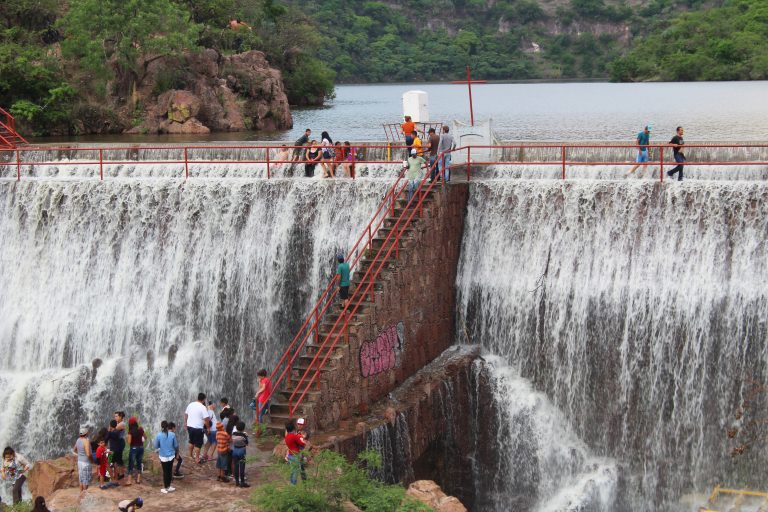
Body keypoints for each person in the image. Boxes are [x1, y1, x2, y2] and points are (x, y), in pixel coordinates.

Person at [154, 420, 178, 494]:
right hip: (171, 455)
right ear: (168, 427)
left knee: (165, 472)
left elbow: (156, 446)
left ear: (161, 426)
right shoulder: (172, 434)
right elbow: (176, 445)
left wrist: (161, 447)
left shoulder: (159, 435)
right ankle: (169, 486)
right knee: (169, 470)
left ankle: (165, 487)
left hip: (163, 456)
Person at [184, 393, 208, 463]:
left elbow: (186, 414)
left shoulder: (191, 404)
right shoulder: (203, 407)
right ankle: (197, 459)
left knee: (191, 441)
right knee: (198, 444)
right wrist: (208, 428)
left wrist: (186, 423)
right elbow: (206, 419)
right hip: (198, 428)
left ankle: (190, 455)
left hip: (190, 427)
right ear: (203, 400)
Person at [284, 420, 307, 485]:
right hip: (295, 456)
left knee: (292, 471)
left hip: (290, 455)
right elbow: (302, 443)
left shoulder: (287, 436)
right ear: (293, 429)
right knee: (295, 472)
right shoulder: (294, 436)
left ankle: (292, 483)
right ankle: (293, 485)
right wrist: (301, 437)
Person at [126, 417, 145, 485]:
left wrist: (127, 438)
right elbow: (145, 437)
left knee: (131, 464)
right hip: (141, 448)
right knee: (139, 463)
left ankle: (129, 480)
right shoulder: (140, 429)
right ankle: (138, 480)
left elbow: (129, 442)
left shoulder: (130, 432)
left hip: (134, 448)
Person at [231, 421, 250, 488]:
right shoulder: (244, 435)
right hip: (242, 451)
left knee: (236, 466)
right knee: (242, 467)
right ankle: (242, 482)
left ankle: (237, 482)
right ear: (243, 428)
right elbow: (247, 443)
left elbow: (232, 441)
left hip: (235, 450)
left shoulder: (233, 434)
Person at [73, 426, 92, 491]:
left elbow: (74, 450)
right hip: (85, 463)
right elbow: (88, 454)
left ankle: (81, 495)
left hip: (79, 462)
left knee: (81, 479)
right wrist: (92, 460)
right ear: (86, 433)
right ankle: (84, 497)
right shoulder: (86, 441)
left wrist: (80, 454)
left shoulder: (78, 440)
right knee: (85, 480)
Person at [110, 412, 126, 481]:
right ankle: (119, 473)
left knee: (117, 458)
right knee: (117, 458)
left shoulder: (121, 424)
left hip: (119, 443)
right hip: (116, 443)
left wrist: (110, 426)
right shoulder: (119, 424)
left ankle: (120, 474)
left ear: (120, 417)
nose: (115, 418)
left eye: (116, 416)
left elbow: (112, 430)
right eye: (115, 416)